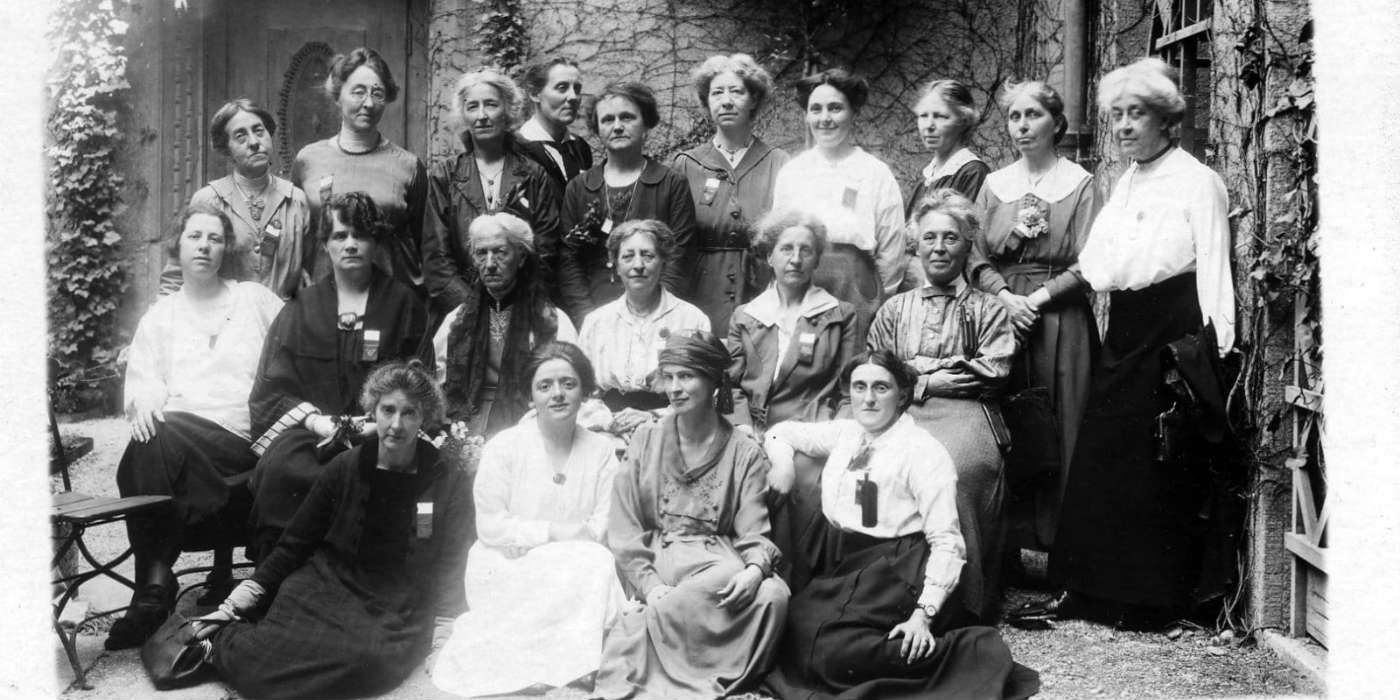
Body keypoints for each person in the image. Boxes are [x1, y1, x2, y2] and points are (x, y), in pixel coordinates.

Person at [1043, 57, 1237, 629]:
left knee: (1157, 458)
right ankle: (1092, 590)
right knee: (1105, 452)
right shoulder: (1125, 180)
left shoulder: (1198, 181)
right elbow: (1101, 263)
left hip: (1170, 325)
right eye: (1118, 116)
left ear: (1168, 121)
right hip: (1125, 325)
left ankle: (1151, 601)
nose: (1125, 126)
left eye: (1138, 115)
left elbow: (1213, 266)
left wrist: (1215, 347)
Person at [761, 350, 1040, 700]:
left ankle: (971, 653)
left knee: (829, 650)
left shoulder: (922, 451)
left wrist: (923, 615)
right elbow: (782, 432)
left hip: (901, 568)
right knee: (797, 627)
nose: (868, 397)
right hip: (850, 564)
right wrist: (783, 465)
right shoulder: (848, 434)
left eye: (881, 387)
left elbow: (947, 542)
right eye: (859, 386)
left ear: (903, 395)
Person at [193, 360, 470, 700]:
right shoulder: (346, 466)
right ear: (372, 411)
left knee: (370, 660)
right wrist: (233, 605)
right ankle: (218, 641)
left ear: (424, 418)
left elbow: (452, 563)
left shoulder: (447, 480)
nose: (396, 424)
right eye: (388, 410)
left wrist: (444, 639)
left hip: (396, 603)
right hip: (325, 584)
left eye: (409, 413)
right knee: (262, 664)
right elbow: (293, 544)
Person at [103, 205, 285, 650]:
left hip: (243, 439)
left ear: (227, 249)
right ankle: (158, 585)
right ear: (177, 247)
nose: (204, 245)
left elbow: (293, 347)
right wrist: (144, 403)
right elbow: (144, 382)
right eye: (194, 237)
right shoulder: (161, 316)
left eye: (215, 238)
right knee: (150, 434)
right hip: (179, 446)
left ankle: (151, 591)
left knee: (152, 445)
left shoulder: (254, 299)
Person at [595, 332, 790, 699]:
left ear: (715, 381)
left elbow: (753, 530)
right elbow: (623, 526)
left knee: (772, 595)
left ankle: (690, 663)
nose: (674, 388)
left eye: (686, 376)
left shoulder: (744, 450)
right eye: (668, 377)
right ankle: (659, 636)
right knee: (727, 576)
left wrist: (753, 571)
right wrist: (650, 586)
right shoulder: (645, 439)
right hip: (662, 554)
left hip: (717, 557)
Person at [430, 342, 625, 697]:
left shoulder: (601, 451)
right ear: (530, 396)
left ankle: (569, 666)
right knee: (580, 564)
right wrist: (548, 532)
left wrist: (549, 545)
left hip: (573, 564)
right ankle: (557, 665)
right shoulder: (504, 447)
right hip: (506, 561)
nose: (558, 395)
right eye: (545, 386)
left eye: (569, 383)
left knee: (597, 560)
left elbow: (601, 525)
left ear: (584, 391)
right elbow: (490, 525)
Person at [247, 192, 429, 559]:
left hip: (385, 432)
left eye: (360, 235)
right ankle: (279, 579)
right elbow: (271, 390)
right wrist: (315, 422)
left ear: (375, 241)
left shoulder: (403, 304)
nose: (350, 245)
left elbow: (420, 383)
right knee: (283, 473)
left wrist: (382, 424)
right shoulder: (299, 309)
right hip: (312, 434)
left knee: (400, 485)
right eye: (339, 236)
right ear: (325, 244)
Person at [866, 189, 1016, 624]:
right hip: (901, 413)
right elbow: (879, 366)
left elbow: (992, 370)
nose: (938, 247)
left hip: (969, 413)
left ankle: (962, 600)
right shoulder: (895, 309)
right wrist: (933, 375)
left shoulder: (988, 309)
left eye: (950, 238)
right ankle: (885, 589)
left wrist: (915, 372)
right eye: (929, 237)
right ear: (916, 243)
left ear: (968, 245)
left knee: (960, 469)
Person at [969, 80, 1100, 561]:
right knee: (1002, 421)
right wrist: (1005, 297)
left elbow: (1092, 261)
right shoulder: (994, 185)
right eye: (1014, 117)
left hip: (1060, 318)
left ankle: (1058, 552)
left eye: (1033, 116)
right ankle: (1004, 553)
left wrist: (1037, 298)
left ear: (1056, 123)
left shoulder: (1080, 184)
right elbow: (975, 256)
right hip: (1001, 316)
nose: (1022, 126)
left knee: (1062, 424)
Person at [422, 67, 575, 321]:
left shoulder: (533, 175)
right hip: (460, 313)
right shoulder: (444, 176)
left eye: (491, 105)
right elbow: (436, 260)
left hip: (523, 311)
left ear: (507, 111)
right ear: (464, 115)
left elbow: (546, 251)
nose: (482, 115)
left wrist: (514, 305)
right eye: (472, 107)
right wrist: (474, 308)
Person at [772, 68, 905, 340]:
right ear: (806, 115)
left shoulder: (875, 172)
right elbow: (778, 240)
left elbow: (892, 250)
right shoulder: (792, 172)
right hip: (803, 280)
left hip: (856, 285)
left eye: (835, 108)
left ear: (853, 112)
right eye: (816, 109)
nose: (825, 119)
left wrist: (878, 299)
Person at [558, 81, 698, 323]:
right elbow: (568, 262)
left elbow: (679, 257)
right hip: (596, 312)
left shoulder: (671, 184)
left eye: (627, 117)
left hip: (658, 313)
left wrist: (660, 314)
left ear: (645, 123)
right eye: (608, 120)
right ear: (597, 128)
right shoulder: (579, 188)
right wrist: (587, 318)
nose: (618, 126)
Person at [672, 53, 791, 334]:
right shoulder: (686, 164)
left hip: (761, 288)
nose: (726, 100)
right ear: (706, 101)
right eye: (716, 93)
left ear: (754, 100)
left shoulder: (779, 162)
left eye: (736, 91)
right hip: (700, 290)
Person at [433, 212, 577, 439]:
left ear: (520, 258)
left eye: (500, 252)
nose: (489, 264)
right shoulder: (457, 321)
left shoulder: (551, 321)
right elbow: (437, 381)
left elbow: (570, 386)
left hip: (531, 424)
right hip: (466, 425)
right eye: (481, 253)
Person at [292, 47, 427, 288]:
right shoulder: (308, 160)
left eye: (377, 93)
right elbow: (301, 236)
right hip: (325, 296)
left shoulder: (409, 166)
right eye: (358, 92)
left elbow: (423, 243)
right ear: (337, 96)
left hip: (389, 300)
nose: (368, 103)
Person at [160, 99, 311, 299]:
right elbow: (176, 275)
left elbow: (311, 272)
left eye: (259, 131)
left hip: (283, 324)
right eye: (241, 136)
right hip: (225, 323)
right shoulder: (208, 201)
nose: (255, 142)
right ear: (226, 149)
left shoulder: (296, 201)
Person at [726, 209, 857, 433]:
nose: (795, 260)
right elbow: (731, 386)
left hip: (811, 432)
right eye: (786, 249)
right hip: (749, 430)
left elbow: (849, 391)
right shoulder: (745, 315)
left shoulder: (840, 316)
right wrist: (743, 427)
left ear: (816, 260)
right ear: (770, 256)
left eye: (805, 250)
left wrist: (836, 436)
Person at [577, 219, 711, 437]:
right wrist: (608, 422)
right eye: (628, 256)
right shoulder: (596, 322)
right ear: (615, 265)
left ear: (663, 262)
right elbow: (580, 390)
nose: (638, 265)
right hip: (607, 431)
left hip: (672, 429)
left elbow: (703, 392)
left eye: (648, 256)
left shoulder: (692, 320)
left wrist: (654, 418)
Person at [907, 79, 989, 214]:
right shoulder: (925, 179)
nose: (929, 125)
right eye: (923, 116)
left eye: (940, 116)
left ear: (963, 120)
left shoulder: (973, 173)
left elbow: (968, 231)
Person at [515, 58, 592, 192]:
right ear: (534, 94)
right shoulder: (516, 149)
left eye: (577, 88)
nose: (573, 97)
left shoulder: (580, 147)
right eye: (562, 88)